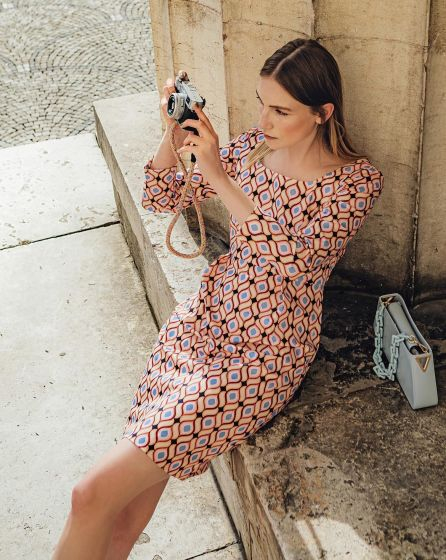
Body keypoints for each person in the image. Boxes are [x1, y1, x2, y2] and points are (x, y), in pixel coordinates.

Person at [52, 37, 384, 559]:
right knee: (117, 519)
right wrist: (173, 134)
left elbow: (300, 266)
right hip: (202, 323)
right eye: (262, 103)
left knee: (88, 495)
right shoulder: (255, 146)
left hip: (263, 354)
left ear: (323, 113)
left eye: (281, 110)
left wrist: (221, 179)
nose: (265, 120)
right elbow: (160, 195)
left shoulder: (355, 182)